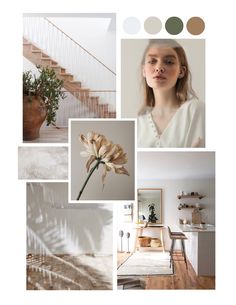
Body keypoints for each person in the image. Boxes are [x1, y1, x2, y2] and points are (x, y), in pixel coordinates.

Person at [138, 39, 205, 148]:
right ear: (144, 70)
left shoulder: (196, 111)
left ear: (181, 71)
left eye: (169, 62)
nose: (159, 68)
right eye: (152, 61)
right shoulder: (139, 124)